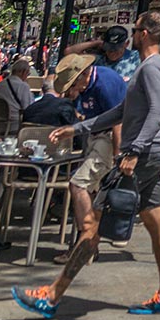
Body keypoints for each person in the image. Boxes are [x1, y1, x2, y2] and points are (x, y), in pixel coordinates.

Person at [14, 11, 160, 319]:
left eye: (134, 29)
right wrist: (77, 129)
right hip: (148, 156)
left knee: (91, 224)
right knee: (158, 221)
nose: (131, 34)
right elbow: (121, 111)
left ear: (144, 33)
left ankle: (52, 295)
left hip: (141, 157)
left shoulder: (152, 68)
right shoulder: (148, 69)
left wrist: (133, 150)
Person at [47, 52, 126, 258]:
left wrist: (118, 157)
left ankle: (86, 240)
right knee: (88, 191)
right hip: (94, 135)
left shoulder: (105, 84)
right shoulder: (85, 87)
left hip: (109, 138)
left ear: (83, 75)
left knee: (78, 184)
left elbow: (118, 122)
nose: (72, 91)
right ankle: (87, 243)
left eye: (73, 85)